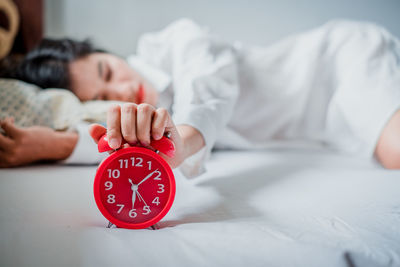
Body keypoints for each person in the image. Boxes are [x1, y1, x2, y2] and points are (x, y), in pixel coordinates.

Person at [1, 18, 400, 175]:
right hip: (324, 129)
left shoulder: (177, 40)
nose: (122, 89)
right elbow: (109, 143)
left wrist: (183, 141)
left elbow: (211, 87)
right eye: (105, 95)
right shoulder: (133, 114)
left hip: (337, 64)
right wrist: (53, 145)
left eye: (108, 70)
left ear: (106, 52)